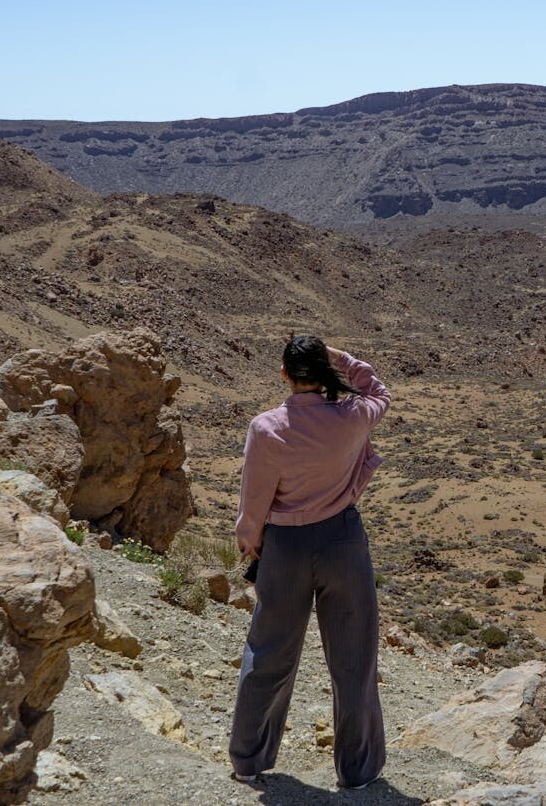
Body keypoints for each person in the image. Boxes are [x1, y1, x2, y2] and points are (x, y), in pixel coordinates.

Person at [228, 334, 391, 790]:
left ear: (284, 373)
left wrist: (252, 545)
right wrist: (342, 358)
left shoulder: (266, 427)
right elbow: (380, 392)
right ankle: (357, 772)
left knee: (269, 653)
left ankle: (248, 760)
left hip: (284, 547)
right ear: (322, 373)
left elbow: (254, 500)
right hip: (343, 541)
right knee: (354, 657)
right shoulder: (353, 416)